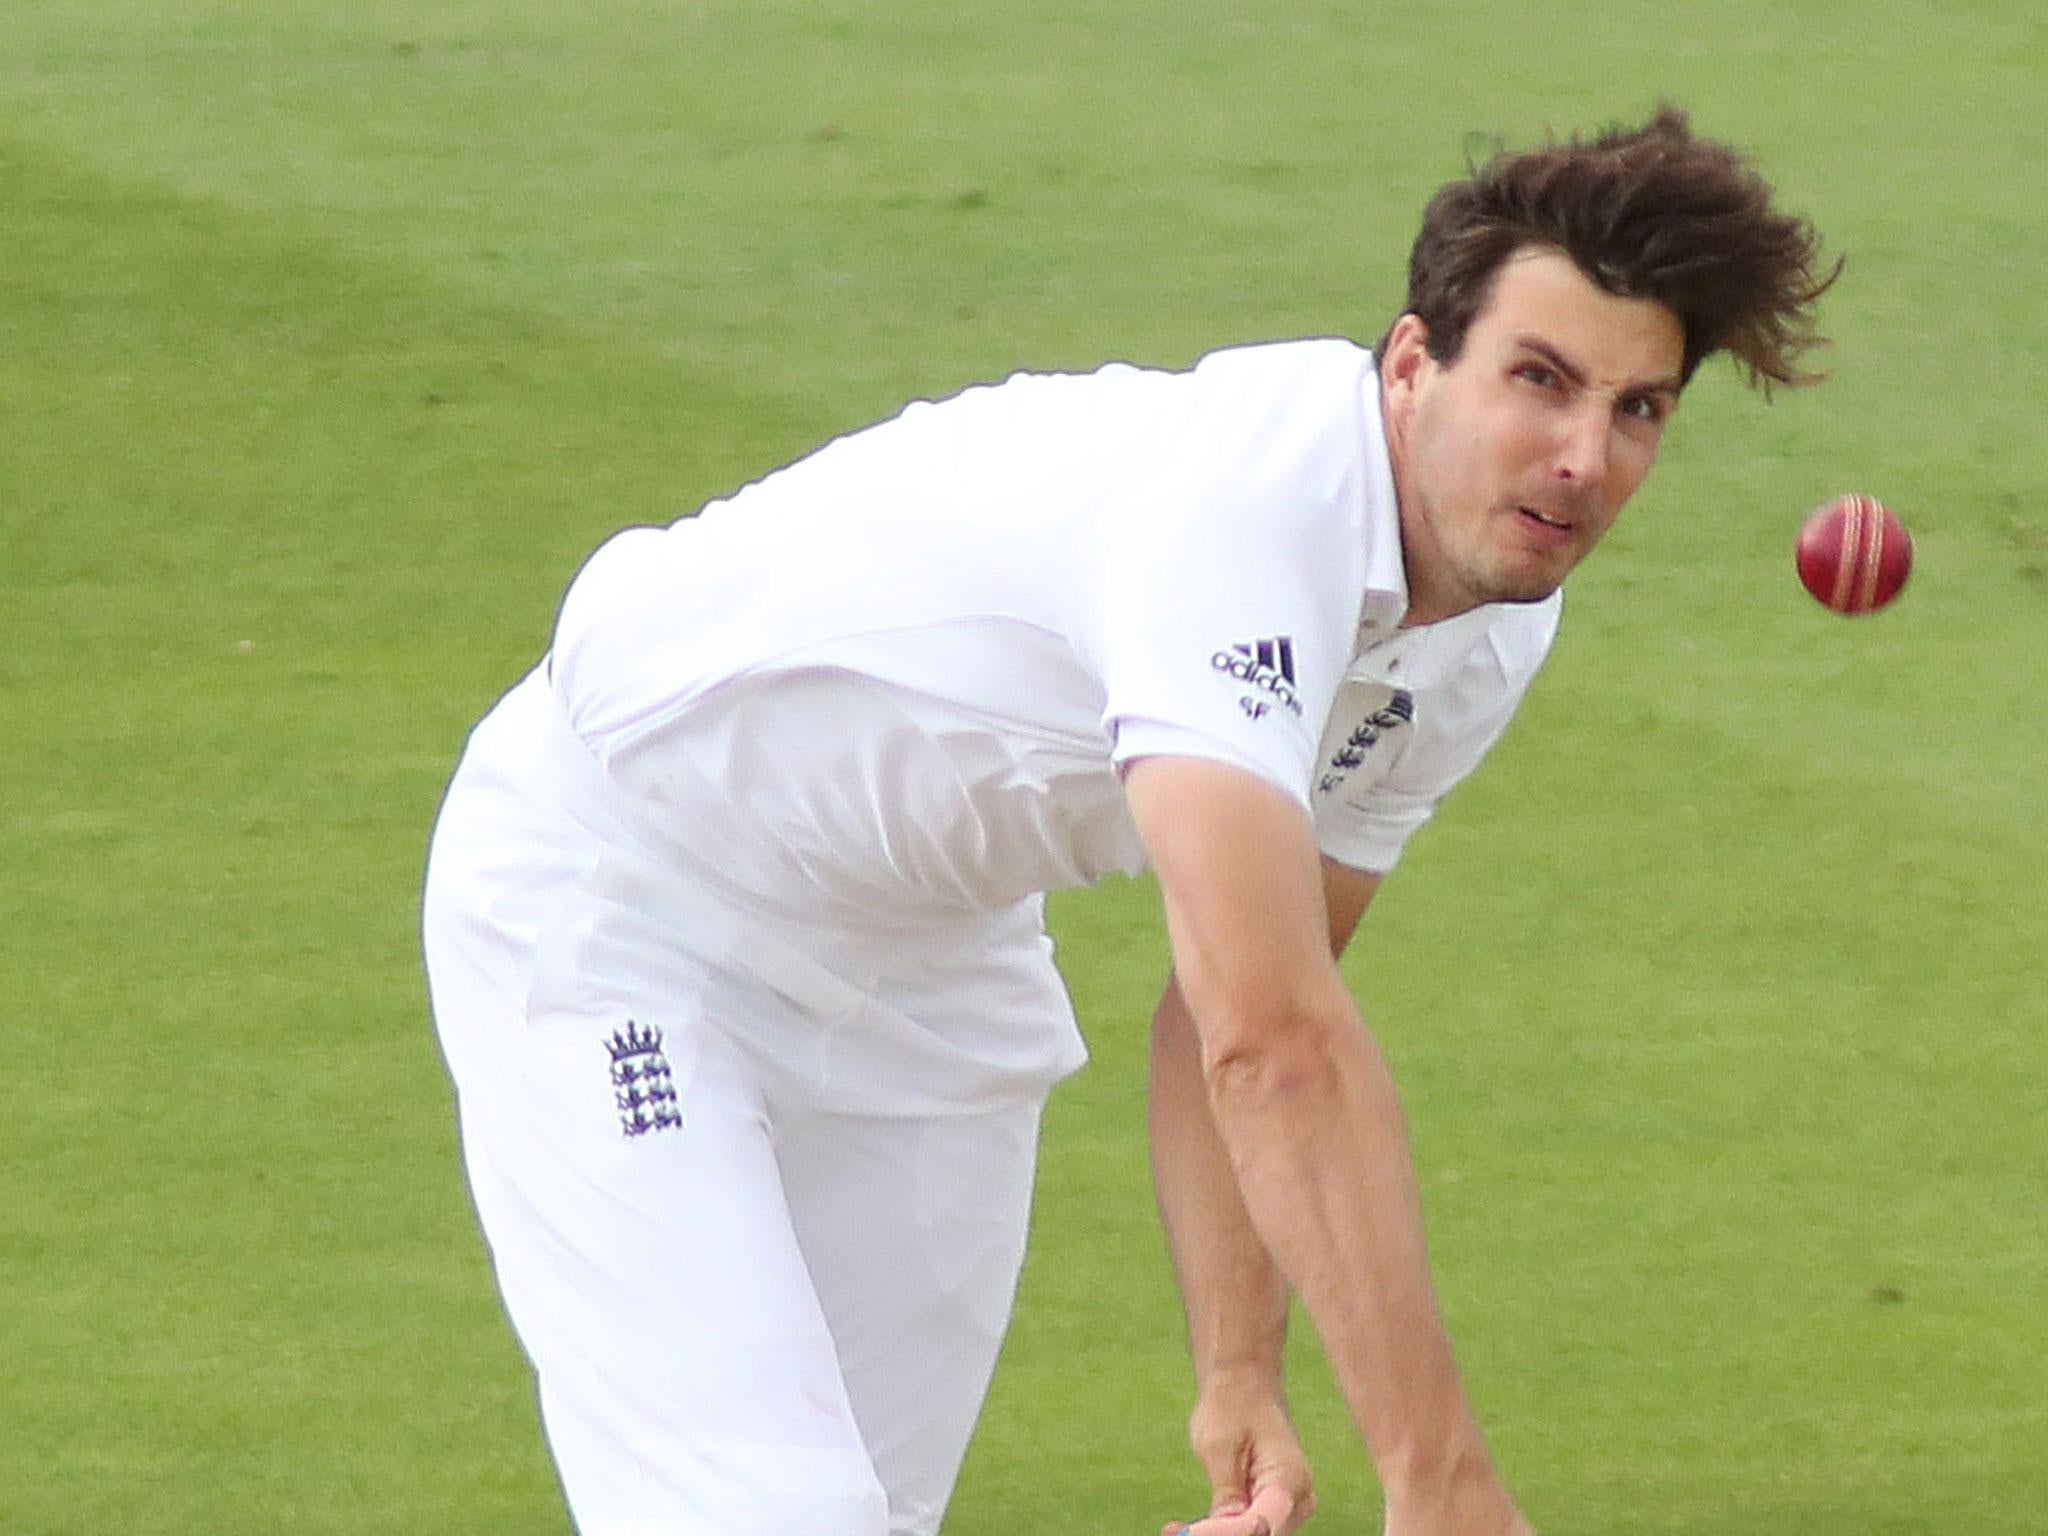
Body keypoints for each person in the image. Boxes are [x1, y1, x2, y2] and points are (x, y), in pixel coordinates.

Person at [421, 107, 1835, 1536]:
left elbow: (1239, 1002)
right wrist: (1439, 1481)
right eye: (1540, 381)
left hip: (931, 971)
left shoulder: (1486, 631)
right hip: (623, 901)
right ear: (1413, 366)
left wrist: (1239, 1374)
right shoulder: (1242, 510)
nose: (1582, 458)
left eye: (1637, 408)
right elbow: (1269, 1042)